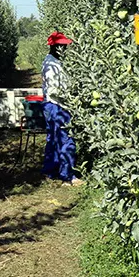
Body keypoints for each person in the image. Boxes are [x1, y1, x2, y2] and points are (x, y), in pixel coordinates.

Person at [41, 31, 81, 185]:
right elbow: (54, 91)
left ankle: (50, 170)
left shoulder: (53, 61)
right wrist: (72, 97)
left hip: (52, 105)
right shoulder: (51, 65)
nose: (66, 49)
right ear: (56, 47)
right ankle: (68, 176)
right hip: (58, 105)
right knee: (66, 139)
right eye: (63, 46)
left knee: (53, 138)